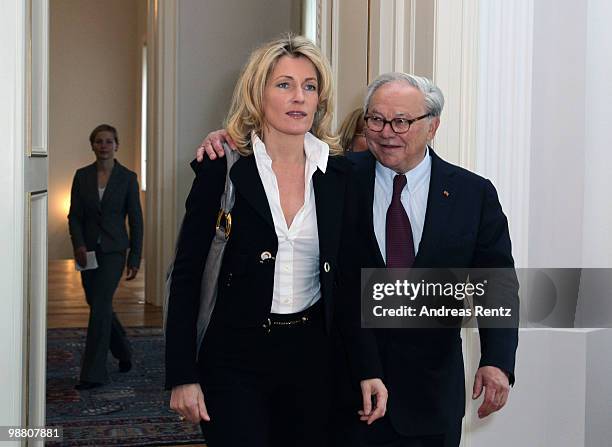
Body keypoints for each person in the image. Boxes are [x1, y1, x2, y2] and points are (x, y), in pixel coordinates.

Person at [196, 72, 519, 447]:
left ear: (433, 126)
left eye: (401, 121)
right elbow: (272, 156)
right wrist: (224, 140)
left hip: (429, 396)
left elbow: (496, 283)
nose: (386, 132)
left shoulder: (472, 194)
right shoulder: (332, 176)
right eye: (376, 119)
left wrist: (497, 360)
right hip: (342, 391)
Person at [164, 35, 387, 447]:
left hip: (313, 359)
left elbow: (351, 280)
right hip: (232, 359)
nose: (298, 96)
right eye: (283, 84)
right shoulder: (222, 167)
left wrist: (367, 367)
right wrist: (182, 374)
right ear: (257, 93)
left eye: (309, 85)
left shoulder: (340, 176)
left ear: (320, 98)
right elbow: (187, 274)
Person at [68, 123, 143, 390]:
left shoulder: (128, 177)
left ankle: (92, 374)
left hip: (114, 251)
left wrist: (135, 257)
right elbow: (74, 216)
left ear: (116, 145)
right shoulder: (81, 176)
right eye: (99, 141)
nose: (103, 146)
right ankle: (124, 351)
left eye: (108, 141)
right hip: (86, 251)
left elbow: (136, 220)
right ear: (92, 145)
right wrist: (77, 244)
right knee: (98, 305)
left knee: (100, 307)